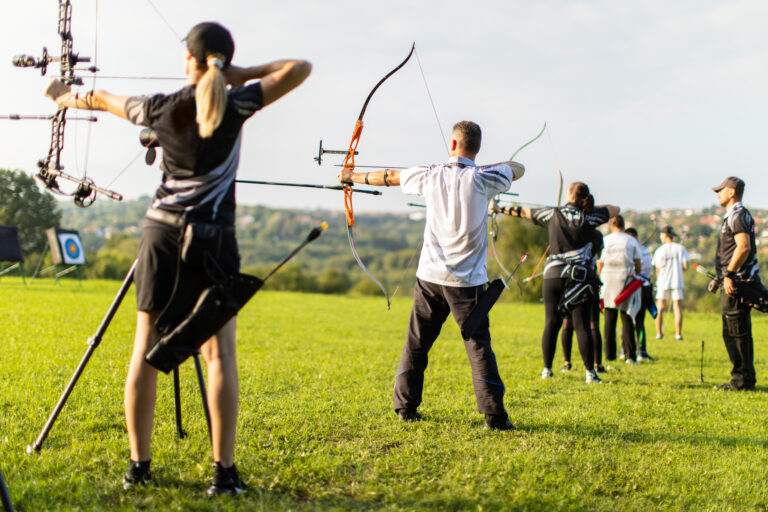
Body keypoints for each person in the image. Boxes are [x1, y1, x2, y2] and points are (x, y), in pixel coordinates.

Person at [45, 22, 311, 494]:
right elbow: (299, 68)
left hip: (161, 238)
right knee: (218, 354)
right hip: (214, 241)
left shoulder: (159, 108)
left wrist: (64, 94)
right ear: (222, 62)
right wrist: (240, 74)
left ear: (188, 60)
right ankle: (223, 474)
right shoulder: (238, 102)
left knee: (145, 349)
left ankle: (139, 468)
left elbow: (102, 99)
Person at [338, 121, 524, 430]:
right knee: (478, 345)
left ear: (452, 145)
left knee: (417, 343)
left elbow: (388, 177)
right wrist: (487, 163)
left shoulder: (431, 174)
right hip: (467, 285)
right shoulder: (487, 178)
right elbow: (518, 167)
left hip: (430, 277)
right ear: (477, 149)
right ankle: (494, 416)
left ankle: (405, 408)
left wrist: (351, 177)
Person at [495, 182, 618, 383]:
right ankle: (590, 373)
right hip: (578, 278)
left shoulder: (553, 214)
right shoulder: (590, 217)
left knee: (551, 323)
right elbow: (615, 210)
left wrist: (498, 208)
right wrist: (589, 209)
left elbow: (524, 212)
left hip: (553, 275)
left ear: (569, 194)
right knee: (582, 325)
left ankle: (547, 370)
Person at [710, 177, 758, 390]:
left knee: (736, 332)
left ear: (731, 192)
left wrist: (728, 274)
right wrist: (720, 278)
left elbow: (743, 247)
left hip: (736, 283)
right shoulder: (735, 215)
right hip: (731, 281)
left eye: (721, 190)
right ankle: (743, 378)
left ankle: (741, 381)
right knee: (733, 331)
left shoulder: (737, 215)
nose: (718, 194)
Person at [598, 215, 641, 364]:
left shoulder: (606, 240)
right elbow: (638, 264)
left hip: (607, 278)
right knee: (627, 317)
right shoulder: (631, 240)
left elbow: (599, 262)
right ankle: (630, 355)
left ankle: (609, 355)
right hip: (625, 277)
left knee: (609, 318)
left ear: (612, 225)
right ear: (623, 225)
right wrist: (635, 272)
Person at [652, 226, 689, 340]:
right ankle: (678, 334)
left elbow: (657, 269)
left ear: (665, 235)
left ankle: (659, 333)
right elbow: (685, 266)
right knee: (677, 307)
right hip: (677, 281)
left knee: (660, 307)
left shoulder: (659, 250)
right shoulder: (681, 248)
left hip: (663, 281)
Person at [625, 227, 654, 361]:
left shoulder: (639, 251)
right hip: (641, 287)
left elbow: (637, 270)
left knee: (634, 321)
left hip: (638, 287)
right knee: (633, 321)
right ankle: (634, 350)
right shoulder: (643, 250)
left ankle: (636, 350)